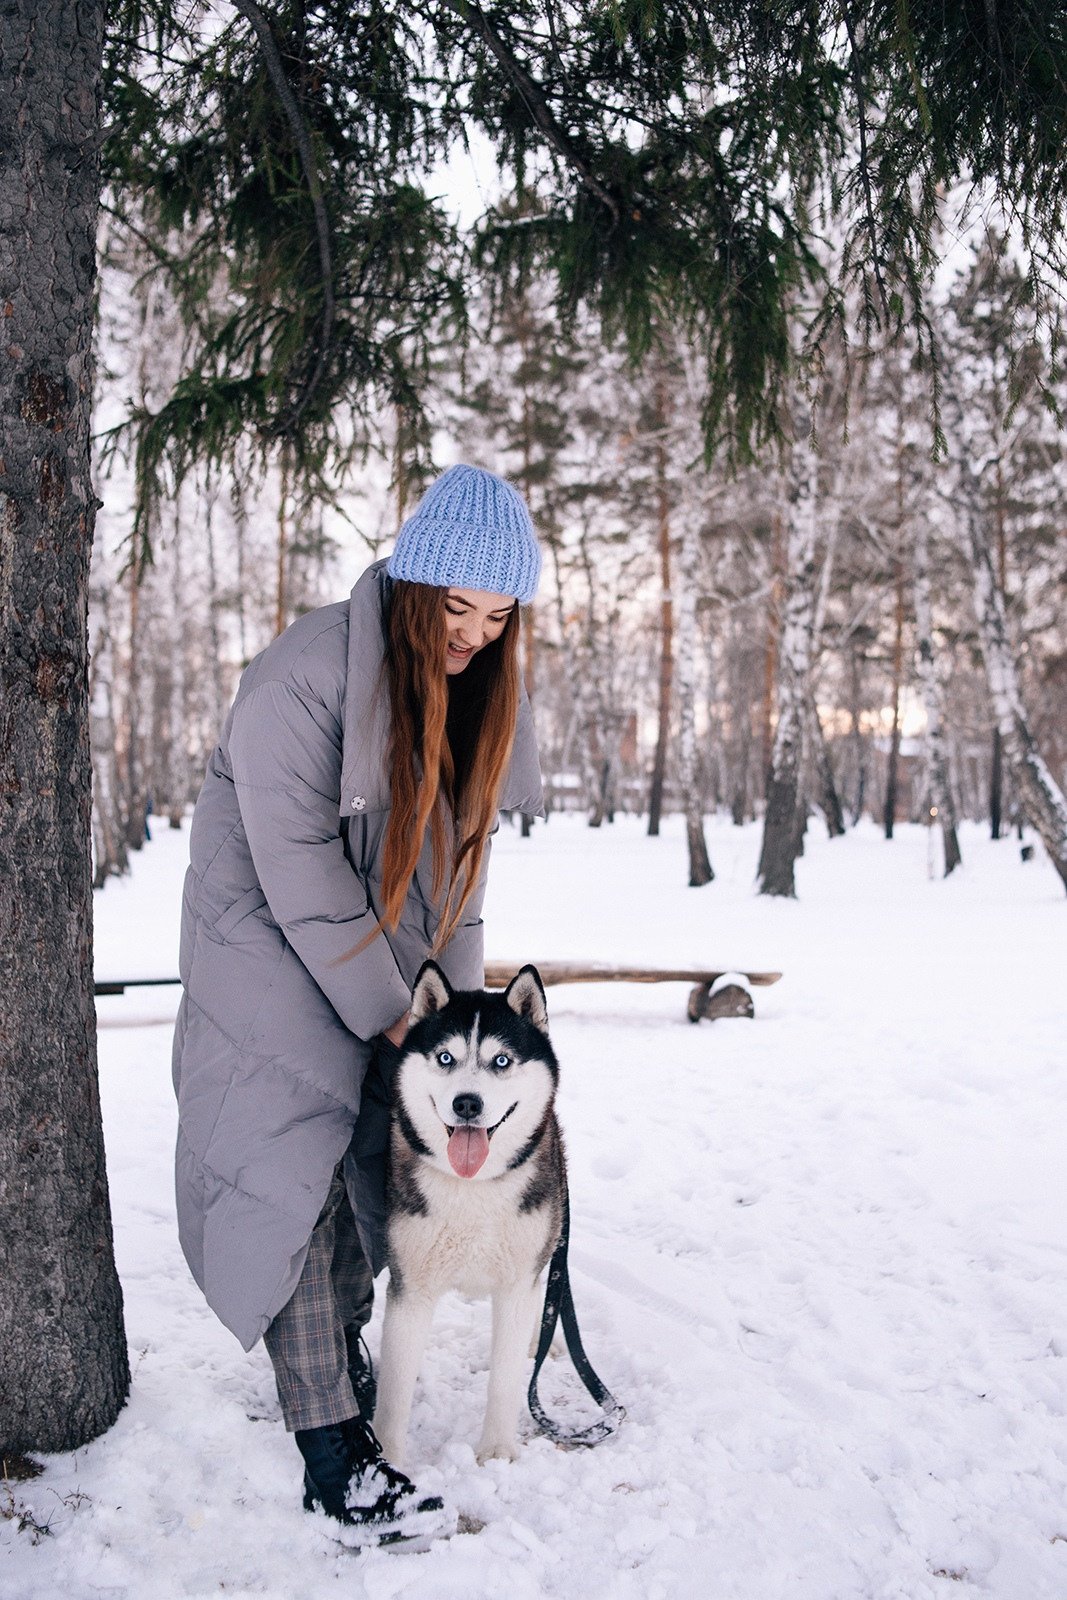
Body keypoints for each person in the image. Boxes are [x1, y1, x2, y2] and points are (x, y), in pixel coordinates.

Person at [171, 464, 543, 1538]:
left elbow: (459, 891)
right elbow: (295, 868)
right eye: (457, 608)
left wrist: (454, 1033)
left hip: (374, 957)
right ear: (414, 585)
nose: (473, 635)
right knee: (290, 1171)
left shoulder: (474, 694)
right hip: (266, 943)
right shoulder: (300, 678)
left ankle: (331, 1349)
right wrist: (398, 1018)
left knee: (377, 1158)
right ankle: (331, 1447)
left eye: (497, 616)